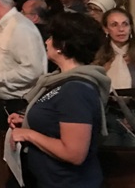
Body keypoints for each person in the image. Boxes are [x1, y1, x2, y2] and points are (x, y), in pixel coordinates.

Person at [8, 12, 111, 188]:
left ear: (62, 46)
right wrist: (27, 120)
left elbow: (74, 153)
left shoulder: (76, 90)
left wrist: (29, 134)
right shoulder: (60, 80)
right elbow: (57, 117)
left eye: (51, 38)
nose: (47, 42)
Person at [94, 8, 135, 147]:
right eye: (114, 25)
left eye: (125, 24)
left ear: (130, 27)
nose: (121, 29)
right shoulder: (99, 57)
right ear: (106, 29)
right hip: (109, 117)